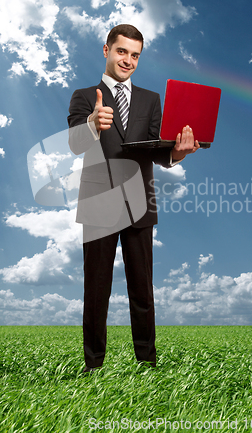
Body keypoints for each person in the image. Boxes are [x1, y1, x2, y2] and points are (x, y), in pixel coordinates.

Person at [68, 24, 199, 371]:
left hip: (140, 203)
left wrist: (179, 152)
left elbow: (158, 151)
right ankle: (93, 365)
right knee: (96, 291)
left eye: (135, 55)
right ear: (107, 50)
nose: (128, 60)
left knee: (143, 289)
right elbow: (75, 143)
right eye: (122, 51)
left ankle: (147, 362)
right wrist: (93, 124)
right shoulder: (84, 96)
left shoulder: (151, 99)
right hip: (98, 204)